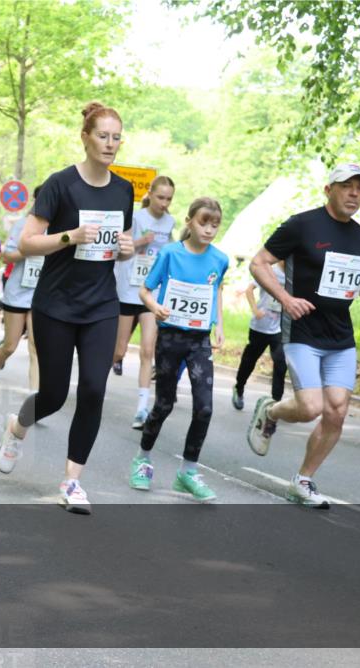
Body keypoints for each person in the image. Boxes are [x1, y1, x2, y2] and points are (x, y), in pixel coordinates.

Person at [0, 102, 135, 514]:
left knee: (93, 390)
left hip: (101, 305)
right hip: (56, 304)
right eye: (103, 136)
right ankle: (17, 427)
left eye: (116, 137)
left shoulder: (124, 189)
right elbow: (26, 243)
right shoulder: (60, 185)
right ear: (85, 137)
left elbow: (118, 247)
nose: (110, 144)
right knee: (54, 395)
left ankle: (72, 482)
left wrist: (126, 250)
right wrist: (70, 236)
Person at [246, 164, 360, 509]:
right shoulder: (302, 225)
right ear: (328, 189)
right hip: (302, 330)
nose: (354, 194)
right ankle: (271, 412)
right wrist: (285, 299)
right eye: (346, 187)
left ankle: (303, 479)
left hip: (340, 336)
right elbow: (258, 263)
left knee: (337, 412)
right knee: (311, 407)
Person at [131, 197, 228, 501]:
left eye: (215, 224)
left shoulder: (220, 259)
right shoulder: (171, 254)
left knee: (205, 407)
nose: (209, 229)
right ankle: (142, 459)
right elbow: (145, 289)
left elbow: (216, 291)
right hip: (171, 337)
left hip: (199, 339)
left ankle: (187, 471)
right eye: (204, 222)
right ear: (189, 221)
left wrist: (220, 325)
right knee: (164, 405)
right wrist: (155, 306)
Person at [111, 175, 176, 428]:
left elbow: (167, 252)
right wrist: (140, 242)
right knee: (119, 350)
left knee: (148, 350)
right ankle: (92, 381)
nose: (164, 203)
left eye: (169, 198)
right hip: (128, 289)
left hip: (151, 292)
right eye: (160, 197)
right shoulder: (136, 217)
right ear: (150, 193)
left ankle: (141, 409)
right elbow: (119, 252)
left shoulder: (170, 221)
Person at [0, 194, 42, 402]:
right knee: (10, 346)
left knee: (36, 348)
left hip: (41, 295)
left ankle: (33, 401)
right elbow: (7, 256)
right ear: (36, 200)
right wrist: (30, 249)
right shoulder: (22, 225)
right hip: (18, 293)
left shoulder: (58, 229)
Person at [232, 261, 289, 409]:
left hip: (280, 327)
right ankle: (239, 388)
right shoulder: (269, 270)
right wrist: (255, 310)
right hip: (261, 325)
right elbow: (250, 289)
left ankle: (275, 402)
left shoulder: (294, 273)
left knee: (281, 363)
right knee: (249, 360)